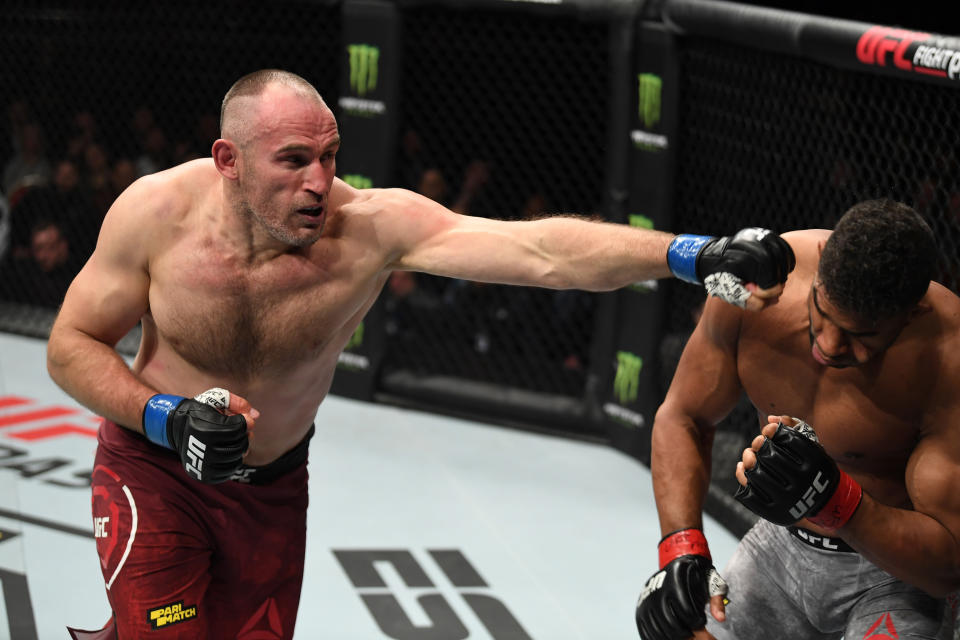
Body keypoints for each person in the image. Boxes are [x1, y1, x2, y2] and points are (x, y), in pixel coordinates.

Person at [46, 69, 793, 639]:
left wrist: (685, 253)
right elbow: (70, 346)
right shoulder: (154, 216)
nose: (320, 182)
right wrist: (164, 415)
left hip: (272, 491)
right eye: (295, 160)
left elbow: (538, 251)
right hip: (157, 470)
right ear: (228, 159)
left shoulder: (368, 228)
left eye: (331, 156)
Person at [635, 199, 960, 640]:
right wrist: (681, 548)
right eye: (822, 312)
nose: (827, 346)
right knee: (678, 627)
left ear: (912, 313)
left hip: (892, 577)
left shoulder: (947, 360)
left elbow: (948, 566)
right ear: (823, 261)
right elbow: (683, 416)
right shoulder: (756, 283)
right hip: (780, 548)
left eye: (860, 337)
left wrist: (838, 503)